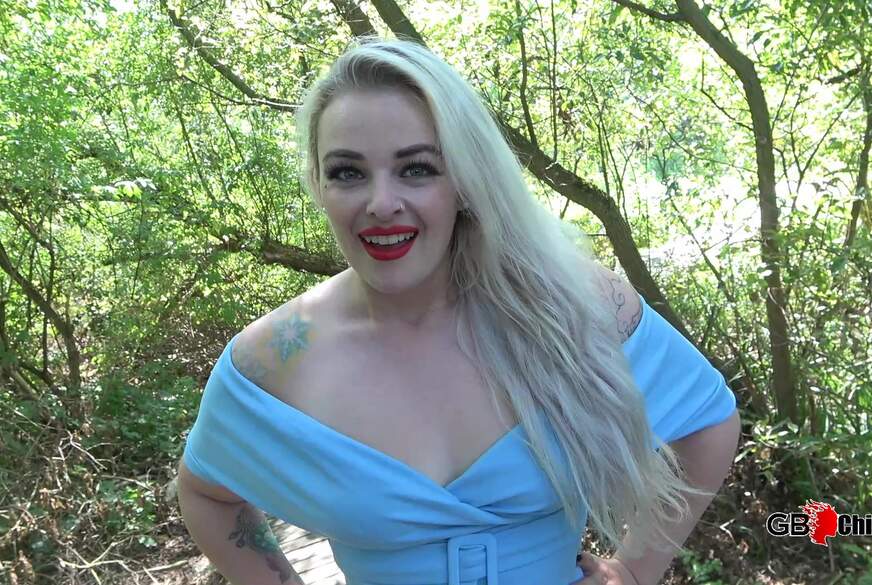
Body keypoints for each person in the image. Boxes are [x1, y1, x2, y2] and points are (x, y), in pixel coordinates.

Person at [176, 36, 740, 585]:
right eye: (347, 172)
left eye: (417, 168)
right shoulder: (274, 358)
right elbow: (207, 493)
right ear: (319, 187)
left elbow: (709, 422)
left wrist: (635, 569)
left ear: (465, 181)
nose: (381, 203)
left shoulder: (573, 306)